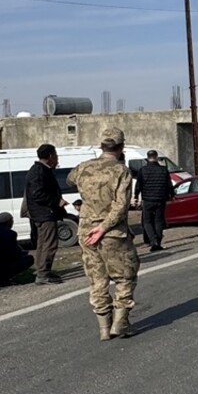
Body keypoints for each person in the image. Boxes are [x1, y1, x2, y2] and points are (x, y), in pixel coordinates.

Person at [68, 127, 140, 341]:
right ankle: (120, 322)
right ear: (121, 147)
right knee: (125, 274)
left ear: (101, 146)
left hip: (86, 232)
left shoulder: (83, 168)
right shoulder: (121, 171)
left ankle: (103, 328)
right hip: (112, 233)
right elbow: (121, 205)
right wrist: (104, 226)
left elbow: (70, 180)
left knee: (97, 279)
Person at [25, 143, 67, 285]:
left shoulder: (42, 170)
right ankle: (43, 273)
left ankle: (42, 269)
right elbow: (38, 194)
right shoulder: (39, 171)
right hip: (44, 213)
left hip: (43, 213)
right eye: (55, 155)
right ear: (50, 156)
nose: (57, 158)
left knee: (43, 242)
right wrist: (56, 201)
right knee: (49, 243)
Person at [0, 212, 33, 287]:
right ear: (9, 221)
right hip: (2, 265)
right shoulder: (10, 233)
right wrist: (23, 253)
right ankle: (5, 278)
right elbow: (13, 252)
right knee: (29, 259)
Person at [134, 149, 171, 252]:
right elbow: (169, 185)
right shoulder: (163, 170)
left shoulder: (143, 170)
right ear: (157, 157)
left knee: (147, 221)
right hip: (161, 199)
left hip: (148, 199)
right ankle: (158, 243)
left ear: (147, 158)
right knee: (159, 221)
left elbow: (138, 185)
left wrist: (136, 196)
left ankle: (153, 240)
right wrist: (171, 195)